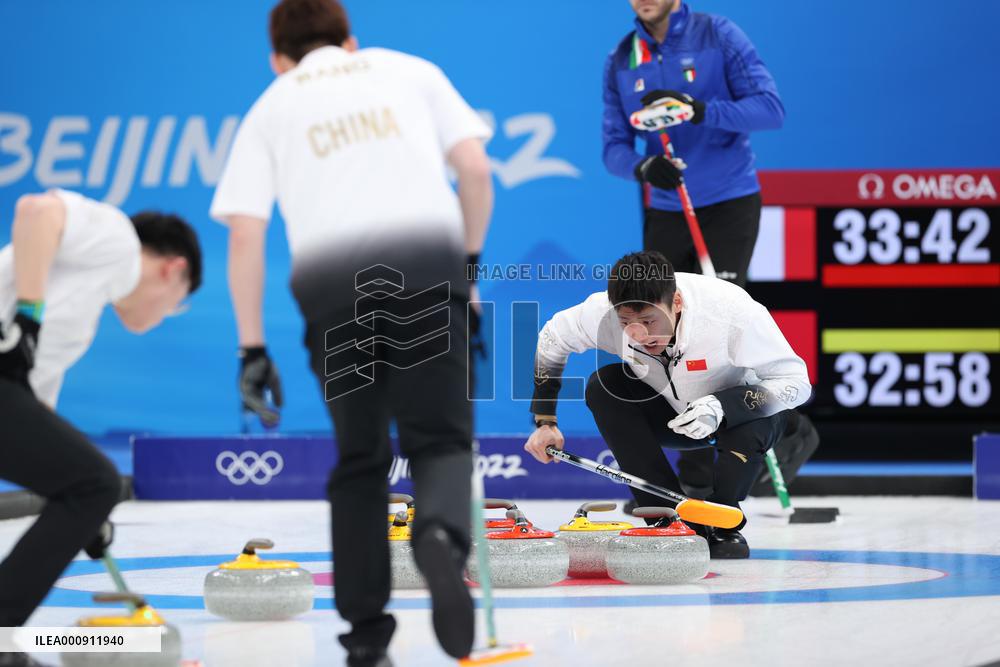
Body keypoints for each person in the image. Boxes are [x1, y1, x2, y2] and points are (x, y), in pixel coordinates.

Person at [209, 1, 493, 664]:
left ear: (279, 58)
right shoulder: (409, 70)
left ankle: (366, 637)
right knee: (440, 440)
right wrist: (467, 264)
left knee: (361, 457)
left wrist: (252, 348)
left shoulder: (271, 104)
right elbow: (475, 170)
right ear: (351, 40)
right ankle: (441, 538)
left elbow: (245, 233)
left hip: (334, 293)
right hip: (427, 271)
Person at [0, 189, 202, 667]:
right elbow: (36, 210)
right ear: (173, 269)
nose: (163, 316)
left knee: (87, 487)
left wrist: (80, 515)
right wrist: (27, 318)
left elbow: (33, 420)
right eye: (176, 304)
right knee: (96, 483)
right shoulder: (118, 240)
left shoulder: (82, 321)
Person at [603, 0, 786, 500]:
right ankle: (692, 473)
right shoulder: (624, 58)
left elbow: (770, 109)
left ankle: (770, 442)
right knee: (666, 335)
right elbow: (613, 146)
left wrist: (699, 111)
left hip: (728, 200)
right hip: (666, 208)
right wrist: (641, 169)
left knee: (717, 332)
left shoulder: (718, 35)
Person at [523, 251, 810, 558]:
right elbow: (552, 339)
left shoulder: (732, 313)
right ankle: (665, 516)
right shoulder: (600, 313)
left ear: (676, 302)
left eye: (648, 319)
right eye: (626, 322)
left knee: (755, 420)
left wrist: (722, 406)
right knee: (602, 387)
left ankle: (724, 519)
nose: (639, 334)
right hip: (671, 417)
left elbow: (796, 383)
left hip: (741, 419)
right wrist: (545, 420)